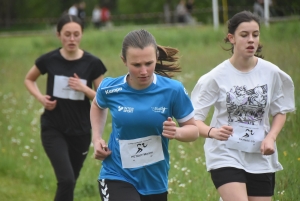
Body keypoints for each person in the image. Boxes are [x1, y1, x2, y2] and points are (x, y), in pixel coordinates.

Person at [191, 10, 295, 201]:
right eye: (244, 35)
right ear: (232, 38)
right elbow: (193, 119)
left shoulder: (271, 73)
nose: (251, 40)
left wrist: (271, 137)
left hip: (259, 155)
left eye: (255, 35)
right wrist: (212, 131)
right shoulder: (215, 77)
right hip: (225, 154)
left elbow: (280, 111)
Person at [90, 29, 199, 201]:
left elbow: (194, 131)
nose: (144, 71)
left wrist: (177, 132)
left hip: (154, 181)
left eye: (149, 63)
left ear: (156, 57)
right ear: (124, 61)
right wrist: (96, 138)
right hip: (116, 174)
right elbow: (97, 104)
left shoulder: (173, 90)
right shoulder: (110, 88)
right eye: (136, 65)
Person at [24, 14, 107, 201]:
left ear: (82, 34)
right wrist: (40, 98)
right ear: (58, 35)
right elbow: (29, 79)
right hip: (53, 127)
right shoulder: (49, 59)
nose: (72, 39)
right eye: (67, 34)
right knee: (66, 180)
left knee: (70, 182)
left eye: (76, 34)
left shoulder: (92, 63)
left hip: (81, 130)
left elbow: (104, 98)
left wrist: (83, 88)